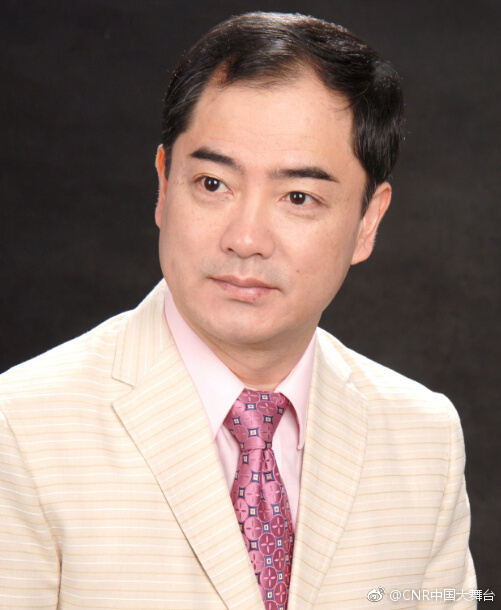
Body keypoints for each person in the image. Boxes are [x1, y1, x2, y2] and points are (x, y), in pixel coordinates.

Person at [0, 11, 475, 609]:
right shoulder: (21, 429)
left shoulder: (424, 438)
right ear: (163, 184)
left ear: (367, 222)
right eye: (212, 184)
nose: (245, 238)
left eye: (298, 197)